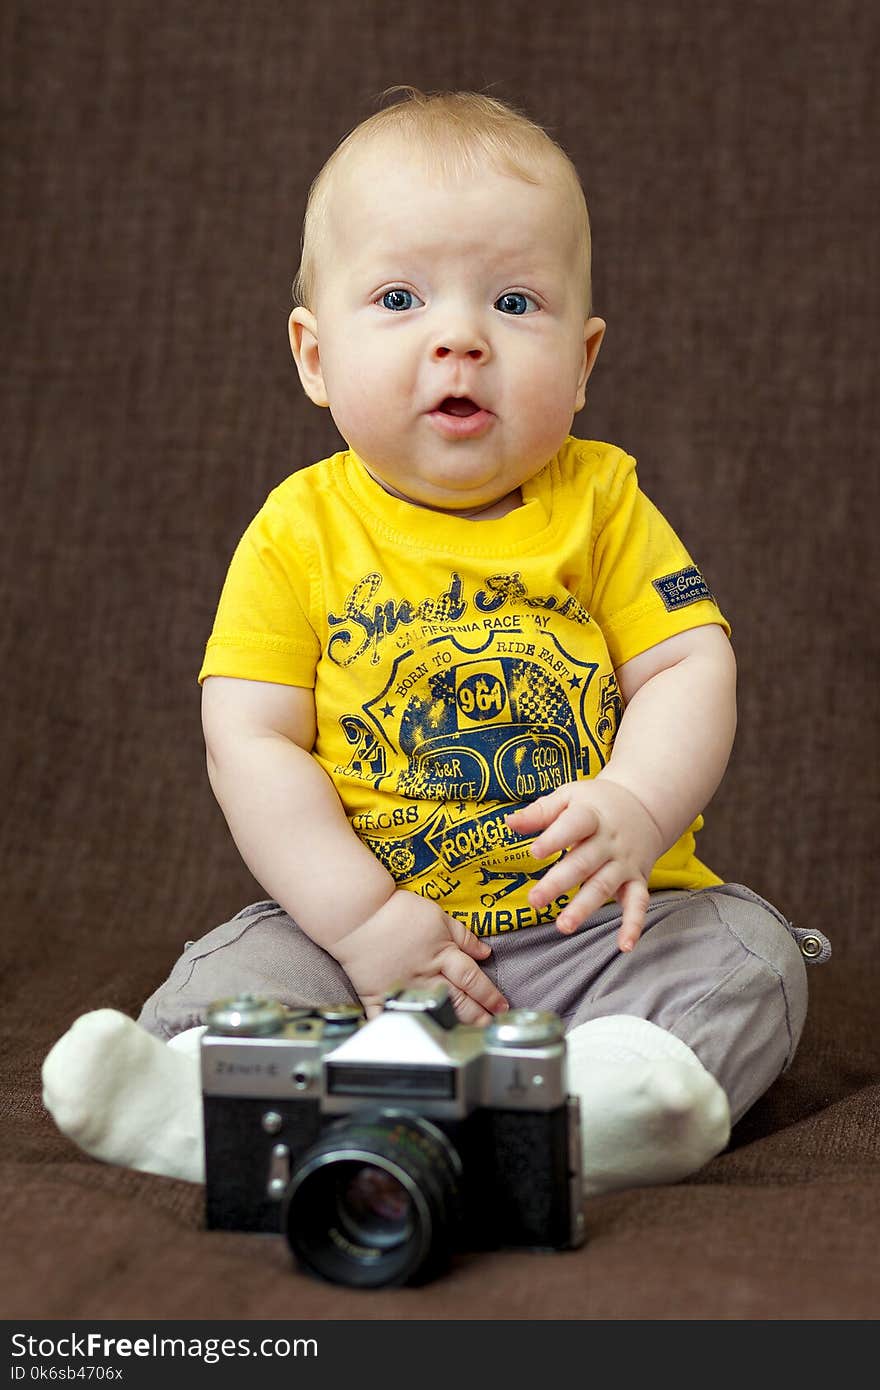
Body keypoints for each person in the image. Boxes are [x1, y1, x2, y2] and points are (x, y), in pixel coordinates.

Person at [42, 87, 828, 1196]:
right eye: (401, 297)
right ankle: (201, 1100)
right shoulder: (298, 531)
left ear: (586, 357)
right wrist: (363, 922)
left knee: (750, 951)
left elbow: (689, 662)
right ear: (315, 357)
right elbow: (249, 738)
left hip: (589, 932)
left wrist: (641, 806)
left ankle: (599, 1102)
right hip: (360, 936)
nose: (459, 336)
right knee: (240, 963)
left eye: (514, 301)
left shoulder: (605, 505)